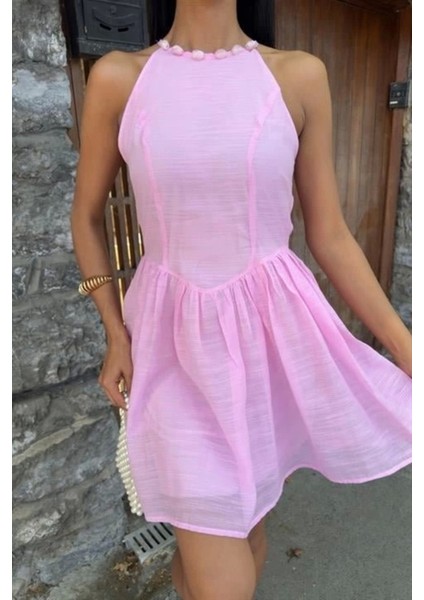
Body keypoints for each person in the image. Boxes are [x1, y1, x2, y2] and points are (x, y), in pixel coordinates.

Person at [70, 1, 412, 598]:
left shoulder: (298, 75)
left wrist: (408, 350)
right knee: (217, 557)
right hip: (170, 346)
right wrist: (114, 332)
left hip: (271, 340)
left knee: (245, 525)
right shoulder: (120, 77)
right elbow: (86, 216)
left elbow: (330, 235)